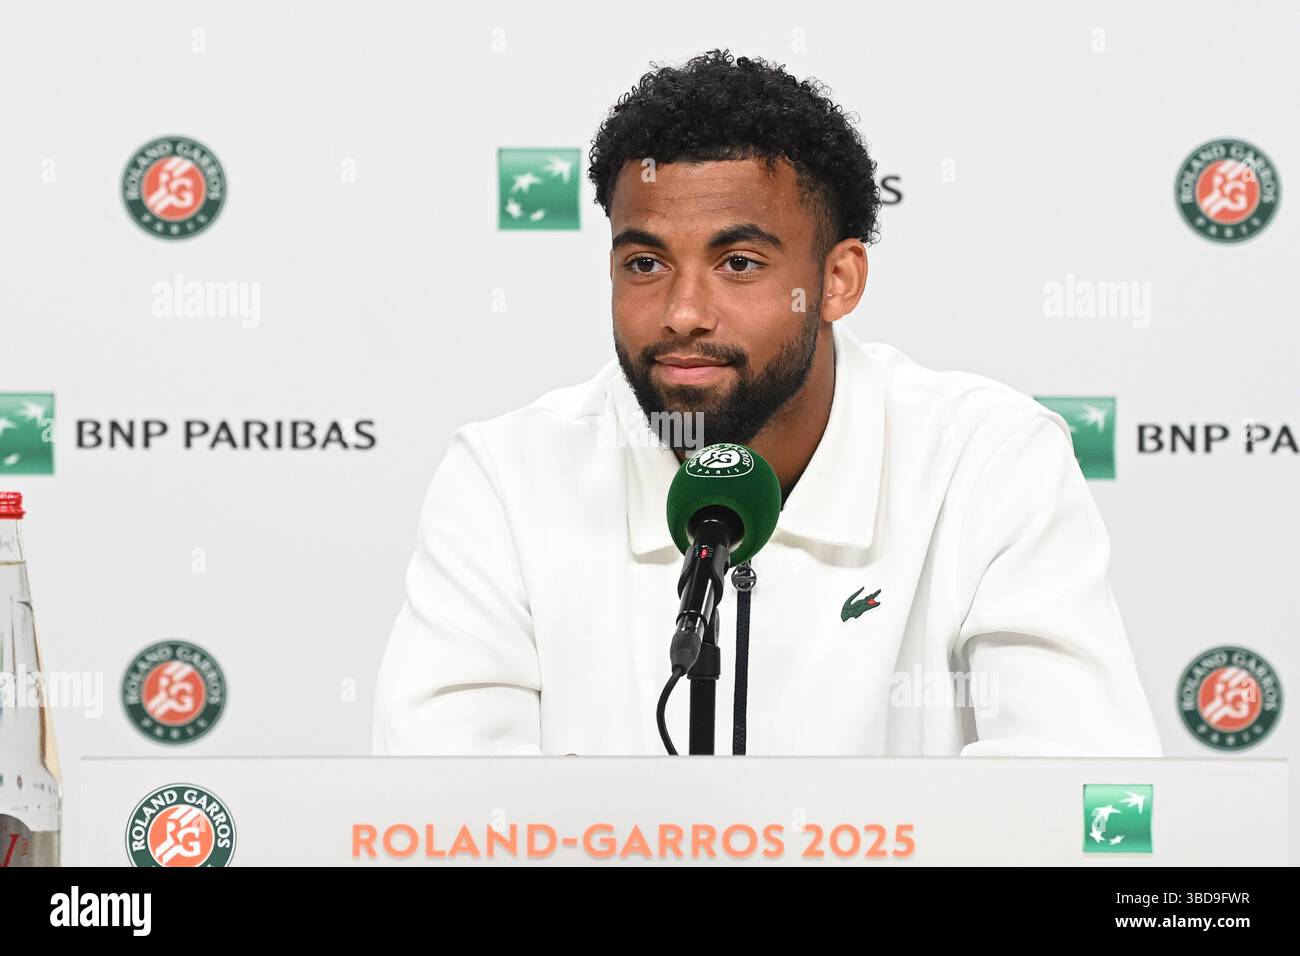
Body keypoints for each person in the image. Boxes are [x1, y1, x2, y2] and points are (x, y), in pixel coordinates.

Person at [373, 50, 1161, 757]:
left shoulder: (989, 461)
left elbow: (1074, 794)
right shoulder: (507, 478)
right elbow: (449, 813)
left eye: (739, 263)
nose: (683, 311)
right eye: (645, 262)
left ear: (838, 281)